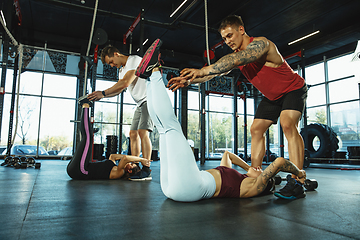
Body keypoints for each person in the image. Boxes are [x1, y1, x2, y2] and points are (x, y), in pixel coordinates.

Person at [134, 39, 306, 202]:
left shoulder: (254, 187)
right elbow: (227, 155)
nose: (259, 168)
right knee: (163, 130)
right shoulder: (236, 174)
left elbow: (280, 162)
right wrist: (249, 168)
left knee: (171, 127)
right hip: (173, 188)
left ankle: (155, 71)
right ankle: (150, 76)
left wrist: (299, 173)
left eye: (229, 35)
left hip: (191, 188)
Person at [87, 45, 154, 181]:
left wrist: (103, 92)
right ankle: (135, 165)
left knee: (142, 132)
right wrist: (103, 96)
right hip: (140, 103)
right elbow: (119, 89)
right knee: (132, 134)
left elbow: (125, 83)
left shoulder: (134, 60)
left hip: (149, 100)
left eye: (111, 61)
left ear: (116, 54)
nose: (112, 65)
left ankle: (147, 169)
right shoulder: (121, 70)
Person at [66, 99, 151, 180]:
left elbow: (125, 158)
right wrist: (138, 159)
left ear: (129, 171)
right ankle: (85, 106)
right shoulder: (114, 166)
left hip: (81, 171)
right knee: (88, 136)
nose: (130, 163)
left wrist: (141, 159)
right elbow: (113, 156)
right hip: (80, 168)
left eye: (131, 165)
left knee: (87, 137)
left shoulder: (119, 172)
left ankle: (85, 106)